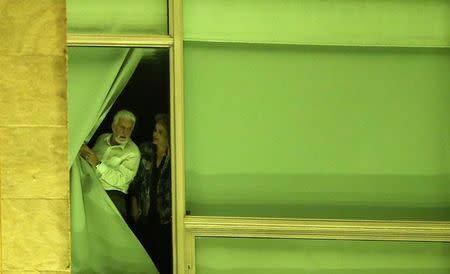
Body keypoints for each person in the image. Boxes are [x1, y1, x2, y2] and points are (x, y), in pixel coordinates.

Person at [129, 113, 172, 274]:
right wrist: (134, 206)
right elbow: (136, 182)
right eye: (155, 130)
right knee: (144, 255)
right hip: (145, 214)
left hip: (165, 217)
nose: (155, 134)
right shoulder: (145, 150)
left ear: (169, 135)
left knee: (162, 258)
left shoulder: (175, 157)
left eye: (160, 132)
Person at [79, 109, 141, 218]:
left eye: (129, 129)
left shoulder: (133, 152)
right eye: (122, 127)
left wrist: (98, 164)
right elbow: (89, 161)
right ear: (113, 126)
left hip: (112, 196)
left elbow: (120, 179)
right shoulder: (102, 138)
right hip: (89, 190)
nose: (125, 132)